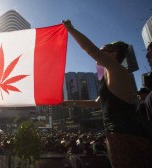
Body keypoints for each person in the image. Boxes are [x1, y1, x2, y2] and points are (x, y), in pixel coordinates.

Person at [61, 20, 152, 168]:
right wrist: (70, 102)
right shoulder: (110, 75)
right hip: (119, 133)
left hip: (124, 133)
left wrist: (70, 29)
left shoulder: (117, 70)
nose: (99, 55)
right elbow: (97, 103)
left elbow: (90, 49)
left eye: (103, 51)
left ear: (114, 54)